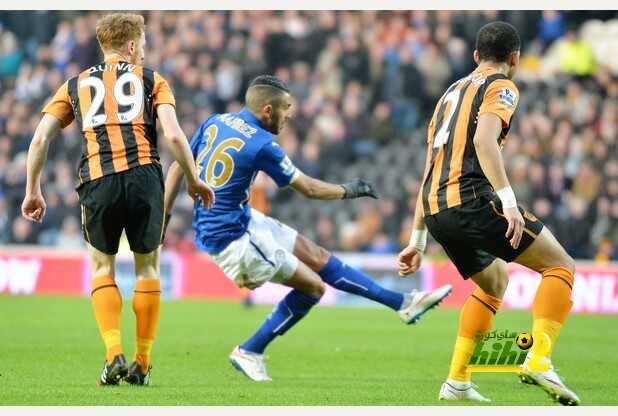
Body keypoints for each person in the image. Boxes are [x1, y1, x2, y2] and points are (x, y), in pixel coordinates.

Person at [164, 75, 452, 381]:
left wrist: (164, 220)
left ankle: (403, 304)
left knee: (317, 255)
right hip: (233, 239)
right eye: (286, 107)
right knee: (314, 287)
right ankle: (250, 350)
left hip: (238, 219)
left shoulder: (215, 122)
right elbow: (309, 189)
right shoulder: (263, 145)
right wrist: (348, 190)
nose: (291, 114)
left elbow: (176, 167)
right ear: (267, 111)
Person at [21, 13, 214, 386]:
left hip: (97, 179)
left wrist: (33, 189)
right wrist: (193, 180)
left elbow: (40, 138)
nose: (144, 50)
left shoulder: (75, 84)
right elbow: (174, 135)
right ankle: (142, 362)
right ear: (130, 45)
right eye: (142, 44)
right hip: (145, 177)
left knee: (102, 268)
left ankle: (113, 355)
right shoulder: (152, 80)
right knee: (147, 269)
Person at [397, 21, 579, 405]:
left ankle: (457, 381)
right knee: (560, 266)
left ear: (475, 55)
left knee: (495, 283)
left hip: (436, 209)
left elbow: (431, 164)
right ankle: (539, 359)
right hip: (472, 201)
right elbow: (483, 139)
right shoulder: (503, 85)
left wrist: (416, 239)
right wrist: (509, 201)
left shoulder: (449, 93)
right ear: (515, 59)